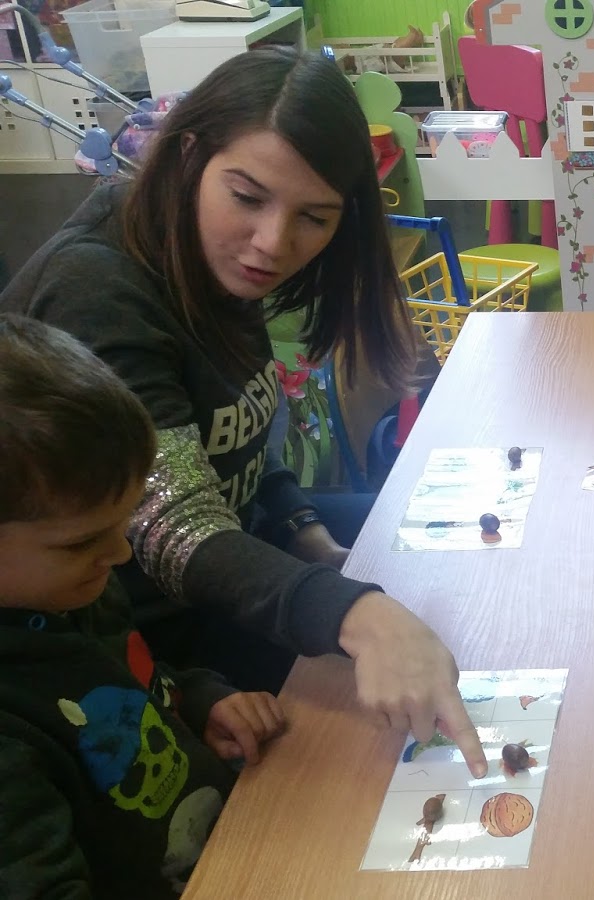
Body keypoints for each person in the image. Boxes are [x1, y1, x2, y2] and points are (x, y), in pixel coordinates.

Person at [0, 48, 488, 777]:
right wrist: (355, 615)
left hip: (241, 553)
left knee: (455, 560)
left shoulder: (211, 254)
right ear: (189, 156)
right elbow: (174, 526)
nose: (274, 243)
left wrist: (307, 533)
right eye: (248, 198)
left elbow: (245, 447)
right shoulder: (98, 293)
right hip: (167, 633)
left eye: (313, 218)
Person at [0, 315, 288, 896]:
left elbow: (135, 683)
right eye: (81, 541)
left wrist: (201, 701)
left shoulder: (70, 594)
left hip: (235, 841)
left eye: (123, 522)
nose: (120, 552)